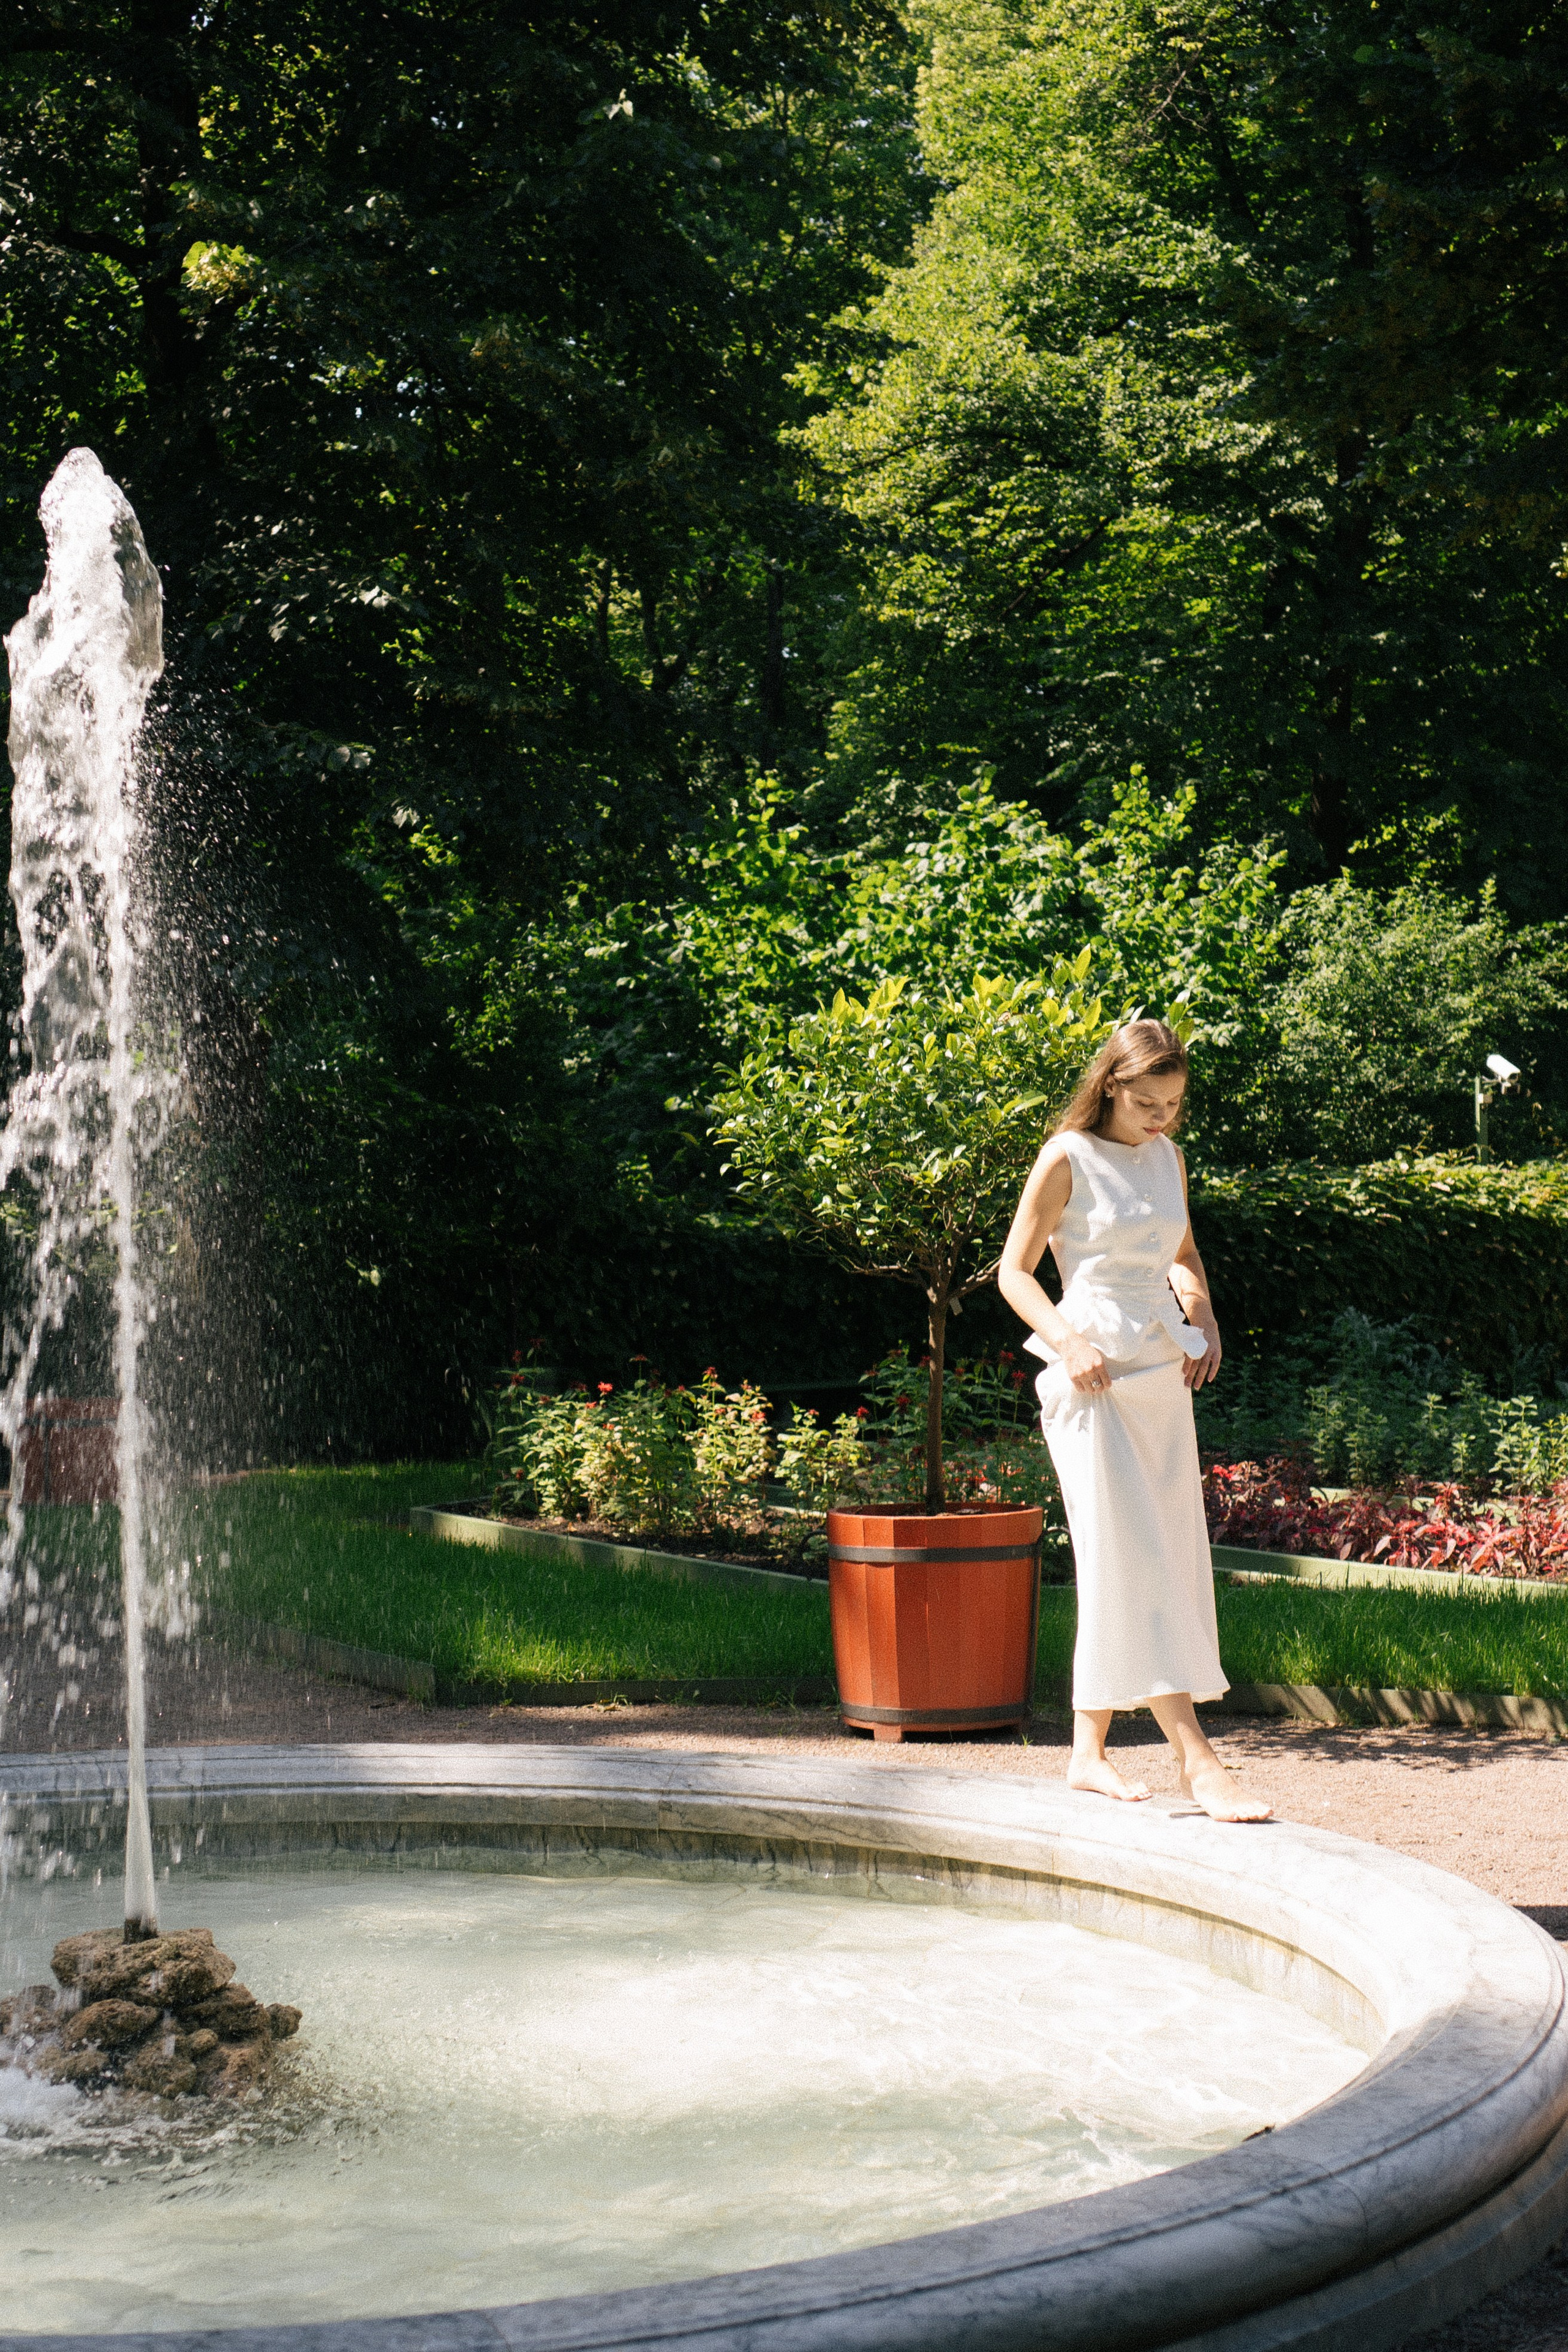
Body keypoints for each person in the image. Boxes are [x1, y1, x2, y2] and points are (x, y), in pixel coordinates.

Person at [997, 1020, 1272, 1823]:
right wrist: (1067, 1340)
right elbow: (1015, 1273)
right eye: (1149, 1102)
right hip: (1091, 1384)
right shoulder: (1066, 1157)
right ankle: (1199, 1761)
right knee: (1135, 1559)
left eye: (1175, 1105)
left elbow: (1183, 1254)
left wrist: (1205, 1317)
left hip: (1160, 1377)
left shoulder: (1167, 1157)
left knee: (1156, 1560)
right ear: (1112, 1084)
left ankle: (1086, 1755)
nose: (1161, 1119)